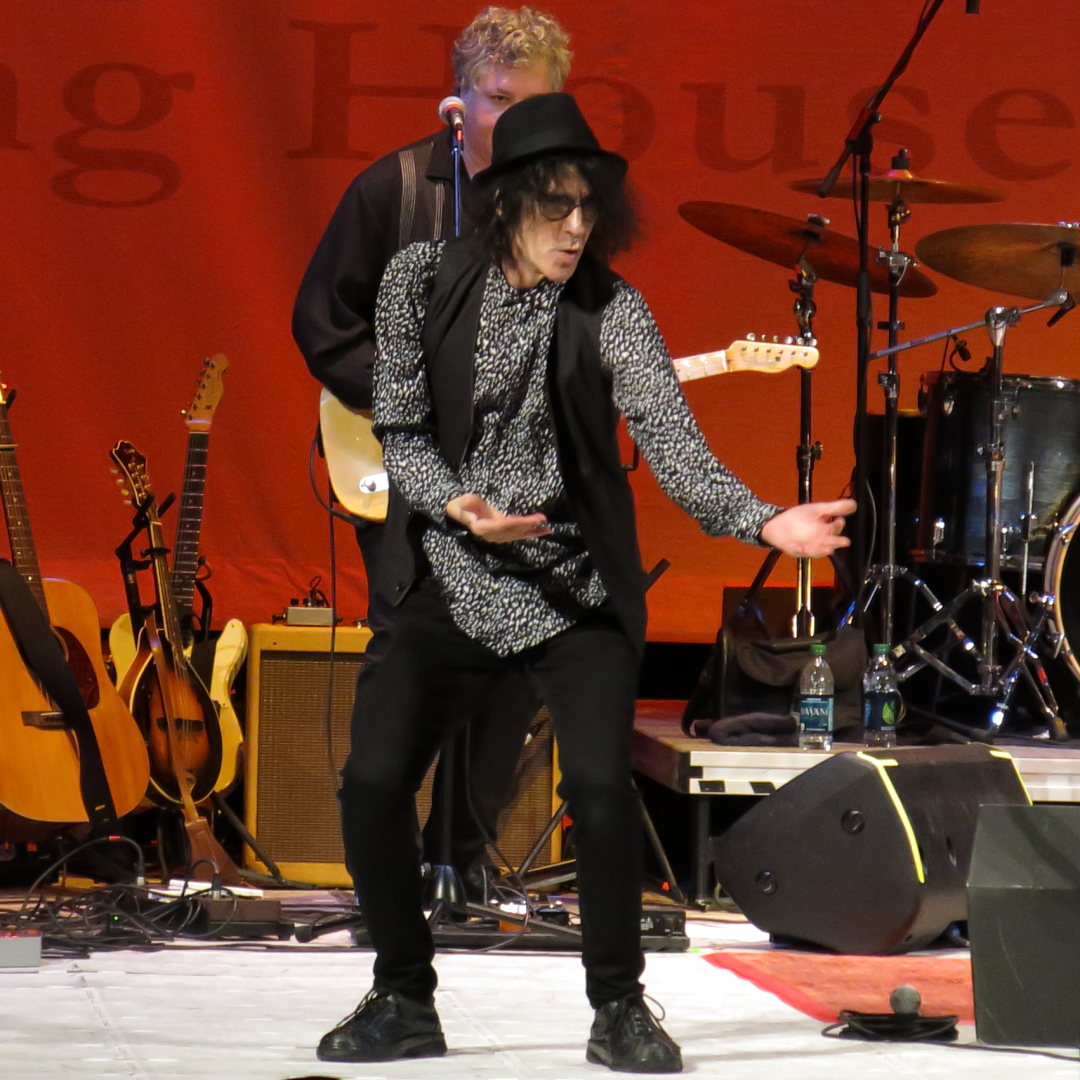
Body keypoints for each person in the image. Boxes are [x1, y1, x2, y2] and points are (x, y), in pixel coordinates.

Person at [315, 92, 855, 1072]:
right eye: (553, 205)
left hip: (575, 589)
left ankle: (619, 1007)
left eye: (587, 207)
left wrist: (765, 519)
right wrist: (458, 507)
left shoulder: (614, 311)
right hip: (450, 573)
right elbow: (399, 428)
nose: (574, 228)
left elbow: (674, 447)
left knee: (603, 791)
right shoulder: (417, 281)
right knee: (373, 783)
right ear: (504, 201)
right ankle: (402, 996)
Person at [292, 7, 572, 895]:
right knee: (411, 656)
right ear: (459, 102)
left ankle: (459, 856)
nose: (519, 120)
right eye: (500, 99)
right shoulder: (397, 190)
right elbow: (324, 322)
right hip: (406, 467)